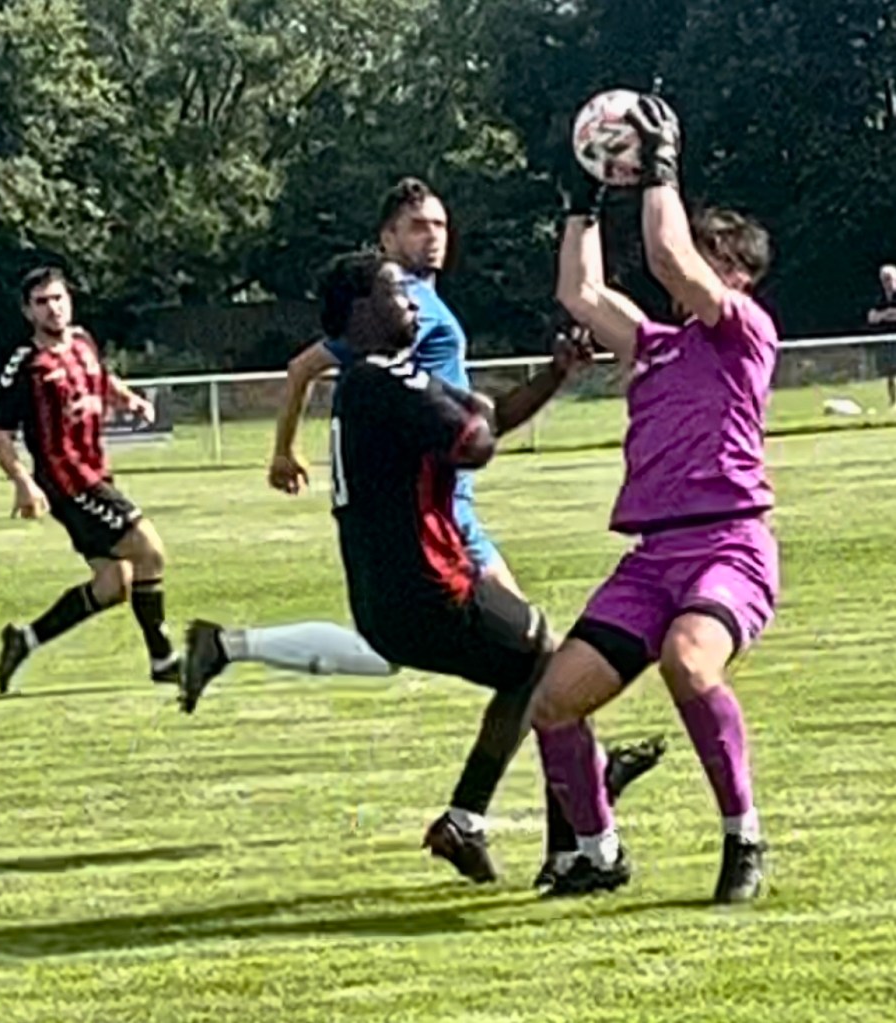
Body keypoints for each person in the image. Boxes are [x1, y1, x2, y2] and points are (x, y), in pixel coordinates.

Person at [183, 250, 664, 884]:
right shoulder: (381, 379)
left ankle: (517, 827)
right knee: (552, 668)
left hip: (385, 602)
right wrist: (475, 420)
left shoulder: (374, 382)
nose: (412, 301)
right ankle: (552, 834)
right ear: (361, 312)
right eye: (396, 291)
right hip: (431, 589)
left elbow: (490, 415)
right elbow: (475, 443)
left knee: (535, 672)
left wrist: (554, 375)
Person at [529, 94, 778, 903]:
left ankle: (744, 835)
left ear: (738, 276)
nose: (691, 269)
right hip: (653, 557)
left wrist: (659, 163)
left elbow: (669, 256)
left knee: (688, 660)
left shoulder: (743, 332)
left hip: (728, 545)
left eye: (713, 259)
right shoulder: (655, 344)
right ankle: (597, 851)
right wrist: (583, 198)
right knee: (553, 702)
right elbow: (580, 290)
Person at [268, 176, 519, 595]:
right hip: (434, 502)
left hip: (424, 498)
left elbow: (300, 369)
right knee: (523, 629)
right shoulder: (403, 303)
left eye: (440, 225)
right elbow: (304, 366)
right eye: (418, 226)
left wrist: (284, 451)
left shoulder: (414, 299)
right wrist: (283, 451)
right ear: (387, 237)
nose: (433, 236)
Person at [0, 267, 180, 692]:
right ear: (27, 312)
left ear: (70, 302)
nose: (52, 308)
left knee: (113, 585)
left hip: (95, 472)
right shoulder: (28, 364)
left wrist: (129, 400)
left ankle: (25, 639)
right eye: (41, 302)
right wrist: (22, 481)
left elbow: (101, 378)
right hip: (68, 483)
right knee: (149, 550)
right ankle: (164, 659)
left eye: (58, 298)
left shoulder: (82, 342)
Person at [866, 264, 896, 408]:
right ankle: (893, 401)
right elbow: (872, 318)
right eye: (884, 279)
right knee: (889, 373)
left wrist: (883, 315)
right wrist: (887, 314)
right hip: (884, 340)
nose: (887, 282)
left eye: (889, 278)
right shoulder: (878, 298)